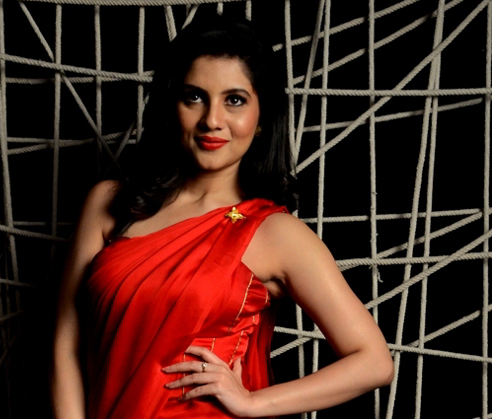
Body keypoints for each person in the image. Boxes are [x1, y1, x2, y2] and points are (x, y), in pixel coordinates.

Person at [51, 15, 393, 419]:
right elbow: (67, 345)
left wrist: (253, 402)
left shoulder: (276, 233)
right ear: (171, 105)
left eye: (235, 100)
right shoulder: (110, 203)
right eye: (194, 97)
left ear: (262, 116)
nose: (212, 120)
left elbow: (373, 361)